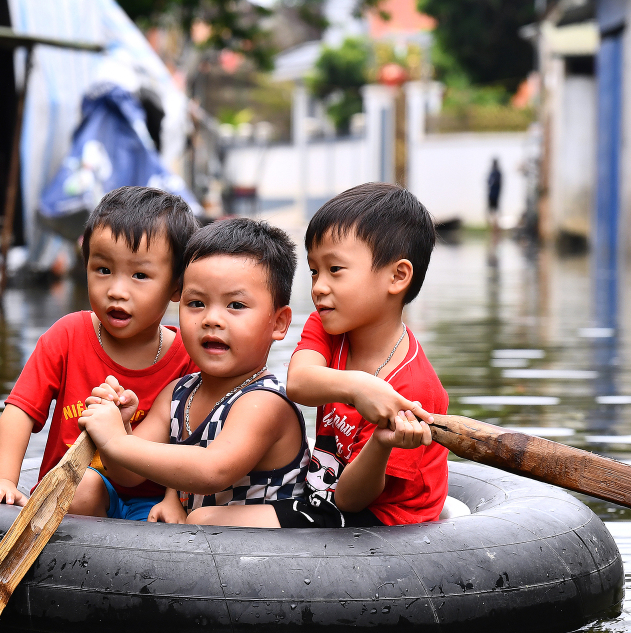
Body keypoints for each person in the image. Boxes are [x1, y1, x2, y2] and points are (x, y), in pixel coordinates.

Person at [190, 182, 449, 529]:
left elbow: (352, 499)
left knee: (205, 520)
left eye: (335, 270)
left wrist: (382, 443)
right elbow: (299, 382)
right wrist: (359, 387)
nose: (318, 287)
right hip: (322, 495)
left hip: (379, 519)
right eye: (314, 271)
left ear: (397, 276)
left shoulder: (413, 387)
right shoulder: (329, 328)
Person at [0, 186, 199, 519]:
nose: (117, 291)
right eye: (103, 270)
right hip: (74, 493)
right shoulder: (68, 336)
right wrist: (3, 480)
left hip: (151, 503)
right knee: (85, 484)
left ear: (176, 286)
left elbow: (191, 441)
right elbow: (20, 411)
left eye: (140, 275)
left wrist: (174, 500)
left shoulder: (188, 357)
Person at [77, 218, 309, 522]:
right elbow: (127, 474)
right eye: (196, 303)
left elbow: (213, 471)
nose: (212, 319)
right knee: (88, 486)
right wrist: (121, 428)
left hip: (281, 530)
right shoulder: (178, 393)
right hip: (205, 539)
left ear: (278, 323)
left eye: (236, 306)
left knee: (201, 519)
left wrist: (118, 442)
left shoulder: (265, 402)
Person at [487, 158, 502, 241]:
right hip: (491, 195)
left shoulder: (497, 173)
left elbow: (497, 183)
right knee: (492, 212)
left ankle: (495, 229)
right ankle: (493, 229)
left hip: (495, 196)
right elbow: (488, 182)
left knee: (495, 212)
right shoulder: (492, 173)